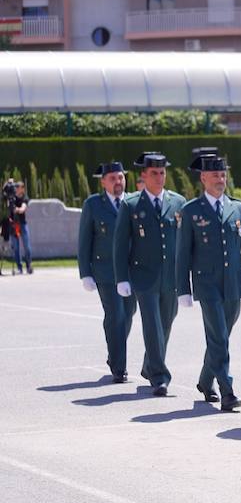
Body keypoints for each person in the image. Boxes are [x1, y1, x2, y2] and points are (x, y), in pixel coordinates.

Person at [176, 154, 241, 412]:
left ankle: (204, 380)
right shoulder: (190, 211)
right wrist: (183, 290)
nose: (221, 180)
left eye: (223, 175)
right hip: (206, 284)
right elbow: (183, 254)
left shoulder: (239, 209)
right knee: (219, 337)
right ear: (203, 178)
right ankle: (227, 391)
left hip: (233, 284)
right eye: (215, 175)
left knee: (220, 337)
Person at [113, 152, 187, 396]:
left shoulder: (178, 203)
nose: (159, 177)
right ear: (143, 176)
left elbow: (187, 243)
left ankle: (149, 364)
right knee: (153, 325)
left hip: (171, 277)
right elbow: (121, 244)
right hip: (143, 276)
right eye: (154, 173)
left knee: (166, 322)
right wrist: (121, 278)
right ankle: (159, 376)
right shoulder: (131, 204)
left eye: (162, 172)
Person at [78, 162, 137, 383]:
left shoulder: (133, 203)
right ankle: (119, 367)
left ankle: (114, 354)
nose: (118, 182)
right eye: (112, 178)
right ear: (103, 181)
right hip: (105, 271)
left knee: (128, 314)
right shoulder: (93, 205)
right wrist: (85, 272)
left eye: (120, 178)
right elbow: (84, 240)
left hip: (131, 271)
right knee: (116, 316)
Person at [9, 182, 32, 275]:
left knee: (27, 246)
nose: (18, 188)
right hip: (14, 224)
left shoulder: (24, 198)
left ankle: (28, 265)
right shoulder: (12, 198)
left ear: (22, 188)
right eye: (16, 187)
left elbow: (23, 208)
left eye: (19, 187)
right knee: (16, 247)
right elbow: (11, 208)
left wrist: (18, 210)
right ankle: (19, 267)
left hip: (22, 224)